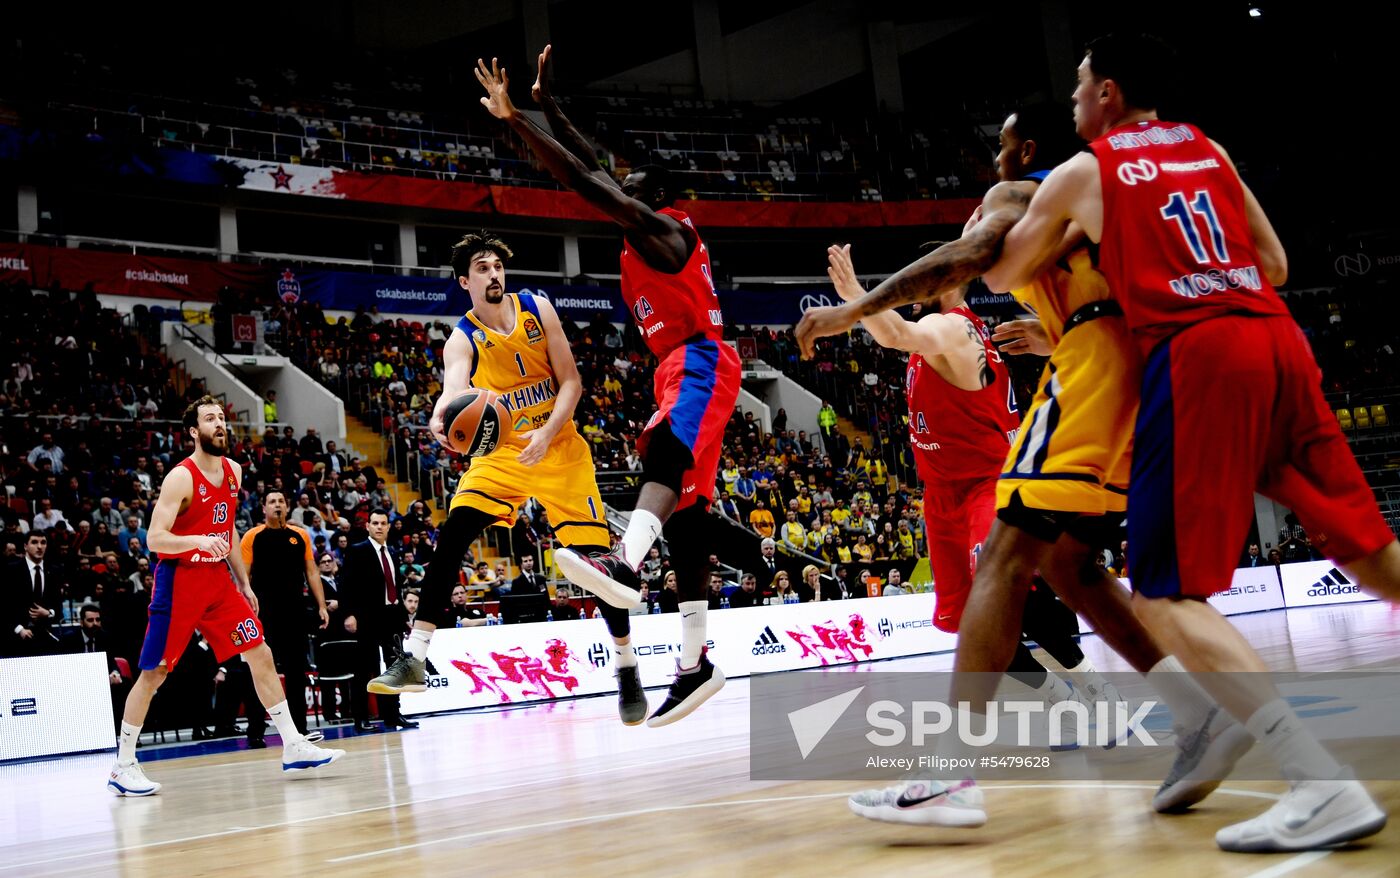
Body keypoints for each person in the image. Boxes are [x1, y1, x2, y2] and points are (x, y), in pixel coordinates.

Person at [983, 33, 1400, 851]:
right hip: (1277, 340)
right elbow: (1274, 263)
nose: (1075, 100)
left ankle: (1319, 783)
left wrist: (1082, 245)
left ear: (1107, 93)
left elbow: (999, 273)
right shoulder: (1209, 148)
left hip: (1198, 356)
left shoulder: (1085, 171)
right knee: (1369, 547)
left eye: (1080, 86)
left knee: (1164, 594)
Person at [819, 103, 1234, 827]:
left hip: (1066, 396)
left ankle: (956, 769)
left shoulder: (1008, 224)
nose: (996, 161)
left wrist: (855, 305)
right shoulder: (1118, 191)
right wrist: (1055, 330)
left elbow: (947, 281)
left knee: (1010, 568)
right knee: (1067, 568)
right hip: (1129, 368)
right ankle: (1195, 714)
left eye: (1003, 147)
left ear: (1028, 150)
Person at [492, 46, 740, 727]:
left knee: (663, 454)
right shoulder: (652, 226)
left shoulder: (663, 232)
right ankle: (694, 665)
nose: (619, 186)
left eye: (631, 185)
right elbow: (594, 166)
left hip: (699, 359)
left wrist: (516, 121)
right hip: (681, 364)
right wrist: (549, 105)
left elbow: (583, 178)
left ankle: (624, 564)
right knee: (687, 514)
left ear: (652, 197)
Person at [367, 230, 646, 727]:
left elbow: (572, 382)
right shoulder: (462, 338)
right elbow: (455, 388)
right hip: (501, 456)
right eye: (482, 268)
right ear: (464, 282)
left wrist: (547, 432)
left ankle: (626, 664)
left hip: (560, 450)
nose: (493, 274)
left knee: (597, 565)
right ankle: (414, 656)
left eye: (497, 265)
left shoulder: (538, 309)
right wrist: (441, 415)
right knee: (453, 535)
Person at [108, 396, 343, 796]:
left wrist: (244, 583)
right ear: (193, 431)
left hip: (218, 582)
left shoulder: (233, 471)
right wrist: (197, 540)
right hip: (179, 582)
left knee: (260, 652)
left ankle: (293, 744)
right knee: (154, 673)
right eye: (209, 419)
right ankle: (123, 765)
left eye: (221, 417)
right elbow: (154, 538)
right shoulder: (180, 478)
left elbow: (228, 529)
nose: (219, 424)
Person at [239, 490, 330, 736]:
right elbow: (243, 578)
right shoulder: (252, 536)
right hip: (262, 614)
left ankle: (300, 730)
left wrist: (321, 605)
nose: (277, 505)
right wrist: (243, 612)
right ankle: (255, 730)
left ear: (287, 507)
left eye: (281, 501)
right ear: (263, 508)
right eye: (272, 501)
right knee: (260, 671)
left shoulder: (300, 535)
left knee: (296, 671)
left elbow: (312, 572)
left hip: (294, 612)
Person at [342, 509, 418, 732]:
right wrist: (349, 614)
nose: (379, 527)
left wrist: (403, 619)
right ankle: (361, 718)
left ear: (388, 526)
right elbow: (346, 584)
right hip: (367, 617)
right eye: (374, 523)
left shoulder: (392, 552)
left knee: (395, 667)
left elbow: (397, 588)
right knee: (365, 668)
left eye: (383, 523)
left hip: (391, 617)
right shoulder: (357, 550)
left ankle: (393, 715)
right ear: (368, 526)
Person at [3, 532, 64, 656]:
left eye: (43, 542)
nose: (39, 546)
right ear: (25, 546)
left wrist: (48, 613)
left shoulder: (54, 571)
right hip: (16, 639)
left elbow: (58, 606)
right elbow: (4, 605)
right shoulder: (10, 570)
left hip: (45, 638)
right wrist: (19, 629)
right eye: (34, 542)